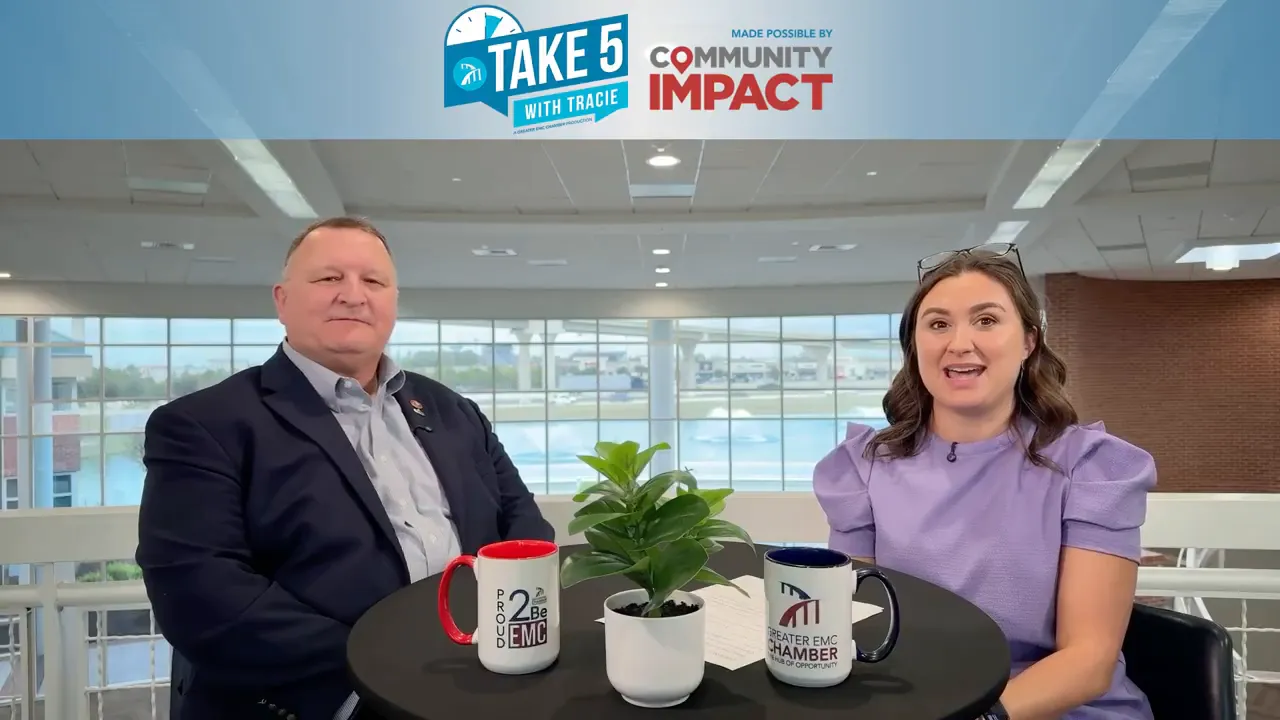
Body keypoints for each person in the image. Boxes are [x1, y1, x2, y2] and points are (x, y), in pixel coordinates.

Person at [136, 216, 554, 720]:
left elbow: (524, 527)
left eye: (373, 281)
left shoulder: (453, 411)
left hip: (474, 683)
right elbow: (201, 596)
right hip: (321, 700)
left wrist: (503, 642)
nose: (353, 296)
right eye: (329, 278)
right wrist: (383, 663)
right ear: (282, 300)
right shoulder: (204, 425)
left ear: (392, 303)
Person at [813, 244, 1155, 720]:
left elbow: (1088, 662)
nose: (959, 343)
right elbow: (854, 623)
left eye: (986, 320)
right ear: (915, 345)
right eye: (937, 324)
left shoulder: (1091, 468)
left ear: (1029, 341)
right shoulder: (861, 469)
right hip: (910, 702)